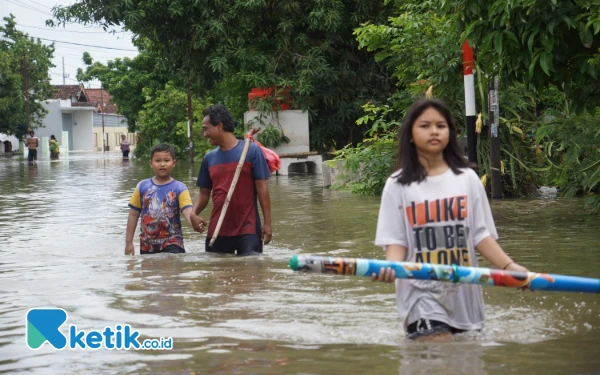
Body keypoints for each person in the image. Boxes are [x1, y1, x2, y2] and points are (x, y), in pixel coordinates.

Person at [373, 99, 528, 341]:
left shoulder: (467, 179)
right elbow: (396, 240)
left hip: (464, 292)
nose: (434, 131)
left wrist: (509, 267)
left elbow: (479, 234)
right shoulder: (398, 184)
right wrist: (391, 267)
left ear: (450, 134)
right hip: (419, 292)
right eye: (425, 125)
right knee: (438, 348)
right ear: (410, 135)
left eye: (441, 126)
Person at [190, 104, 272, 256]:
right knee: (218, 274)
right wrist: (193, 213)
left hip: (248, 227)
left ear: (219, 126)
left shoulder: (251, 151)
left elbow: (262, 188)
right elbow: (204, 192)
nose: (204, 134)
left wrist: (267, 223)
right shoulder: (209, 158)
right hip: (218, 228)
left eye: (206, 128)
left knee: (251, 273)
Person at [125, 143, 202, 255]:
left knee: (171, 270)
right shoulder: (142, 186)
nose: (162, 164)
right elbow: (133, 214)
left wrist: (194, 221)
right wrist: (128, 242)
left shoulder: (180, 188)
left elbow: (187, 210)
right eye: (158, 161)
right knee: (149, 272)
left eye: (166, 160)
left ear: (173, 163)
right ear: (151, 163)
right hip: (148, 245)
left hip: (173, 243)